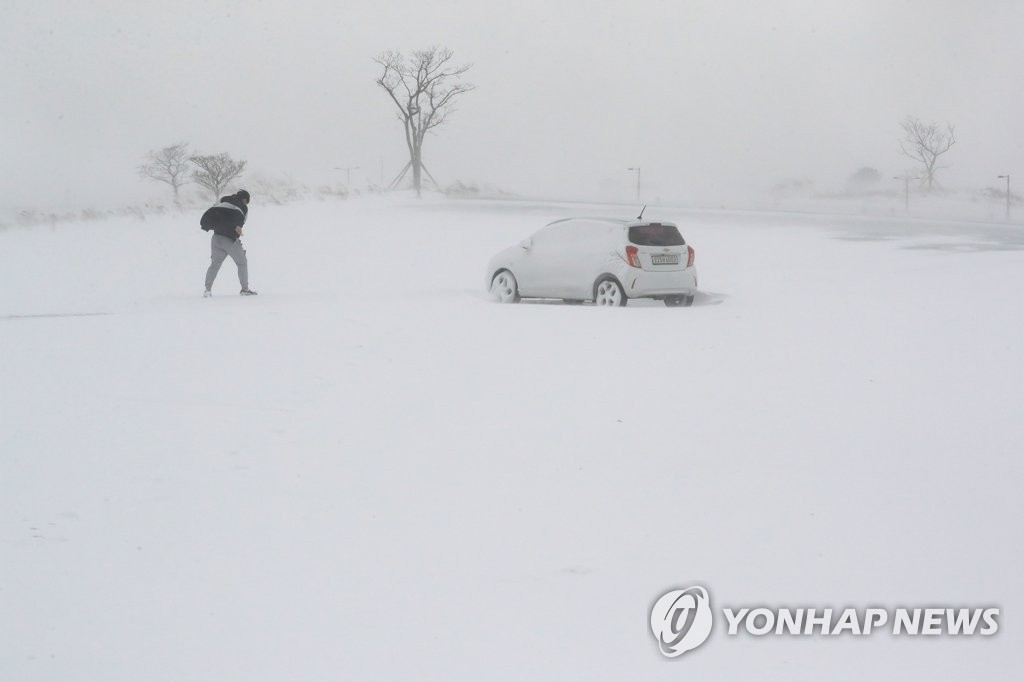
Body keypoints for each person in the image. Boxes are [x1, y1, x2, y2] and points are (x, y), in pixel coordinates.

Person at [200, 189, 257, 296]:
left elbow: (214, 210)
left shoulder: (223, 199)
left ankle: (207, 290)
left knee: (215, 264)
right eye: (247, 201)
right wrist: (238, 236)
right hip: (229, 240)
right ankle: (245, 290)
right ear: (245, 199)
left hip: (216, 238)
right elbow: (238, 227)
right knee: (242, 262)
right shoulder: (243, 207)